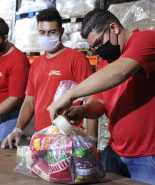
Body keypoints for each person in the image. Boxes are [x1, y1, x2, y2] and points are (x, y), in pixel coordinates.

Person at [47, 8, 155, 184]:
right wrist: (81, 110)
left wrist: (69, 95)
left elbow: (121, 71)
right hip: (114, 152)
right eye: (93, 47)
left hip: (146, 156)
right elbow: (100, 102)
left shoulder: (147, 40)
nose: (98, 51)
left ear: (114, 28)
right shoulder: (106, 58)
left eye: (98, 43)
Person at [1, 8, 97, 149]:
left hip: (67, 138)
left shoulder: (77, 59)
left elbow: (90, 100)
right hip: (40, 137)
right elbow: (29, 101)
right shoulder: (36, 64)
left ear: (61, 32)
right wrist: (18, 129)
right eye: (42, 32)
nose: (47, 37)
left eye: (52, 32)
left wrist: (91, 139)